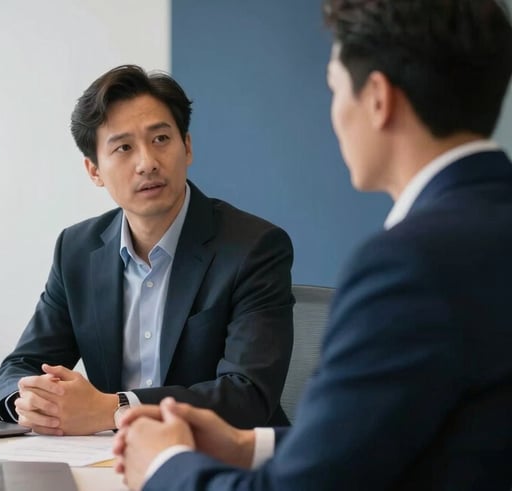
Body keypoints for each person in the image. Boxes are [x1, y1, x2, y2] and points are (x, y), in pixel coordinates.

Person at [114, 0, 512, 489]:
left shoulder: (409, 265)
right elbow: (430, 432)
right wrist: (246, 445)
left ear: (378, 99)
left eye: (334, 89)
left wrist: (163, 465)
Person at [0, 65, 295, 436]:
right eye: (123, 147)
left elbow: (246, 396)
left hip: (222, 463)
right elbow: (20, 367)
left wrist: (113, 409)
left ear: (187, 147)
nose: (147, 162)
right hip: (111, 462)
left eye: (161, 139)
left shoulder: (253, 247)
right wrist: (32, 402)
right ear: (94, 170)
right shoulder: (77, 250)